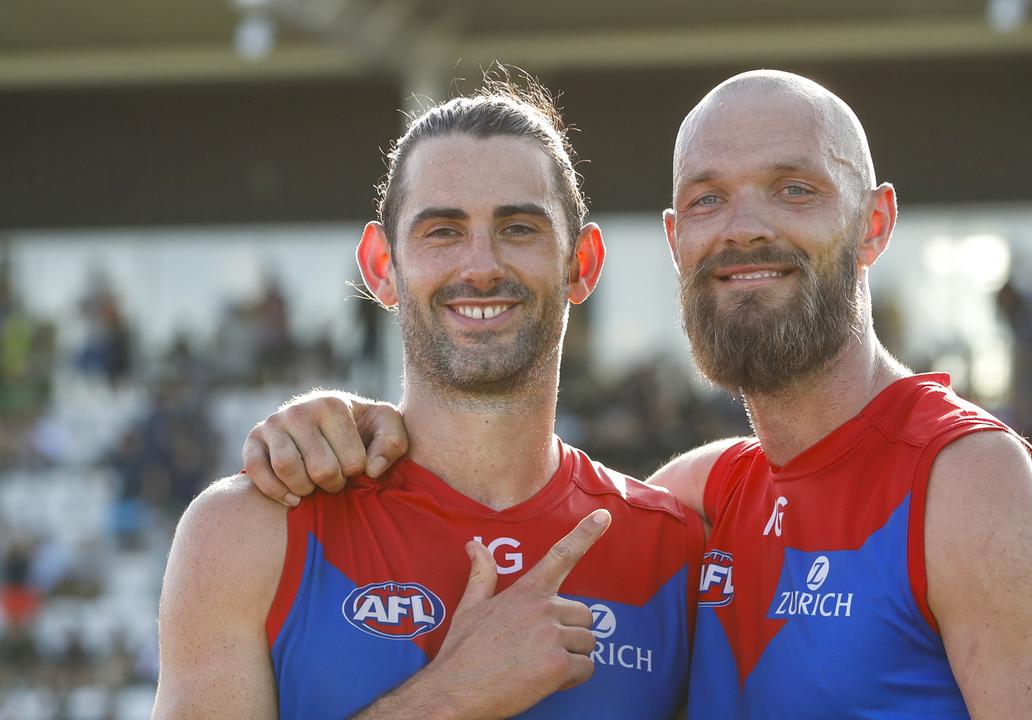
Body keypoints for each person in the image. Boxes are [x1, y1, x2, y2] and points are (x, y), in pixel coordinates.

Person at [244, 70, 1032, 717]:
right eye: (708, 201)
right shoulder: (698, 502)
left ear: (874, 225)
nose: (744, 227)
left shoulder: (973, 489)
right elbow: (499, 481)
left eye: (794, 189)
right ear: (675, 240)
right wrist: (345, 425)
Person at [155, 78, 703, 720]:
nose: (481, 266)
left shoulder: (677, 553)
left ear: (581, 263)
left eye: (519, 227)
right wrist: (452, 696)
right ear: (381, 265)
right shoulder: (250, 530)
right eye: (443, 231)